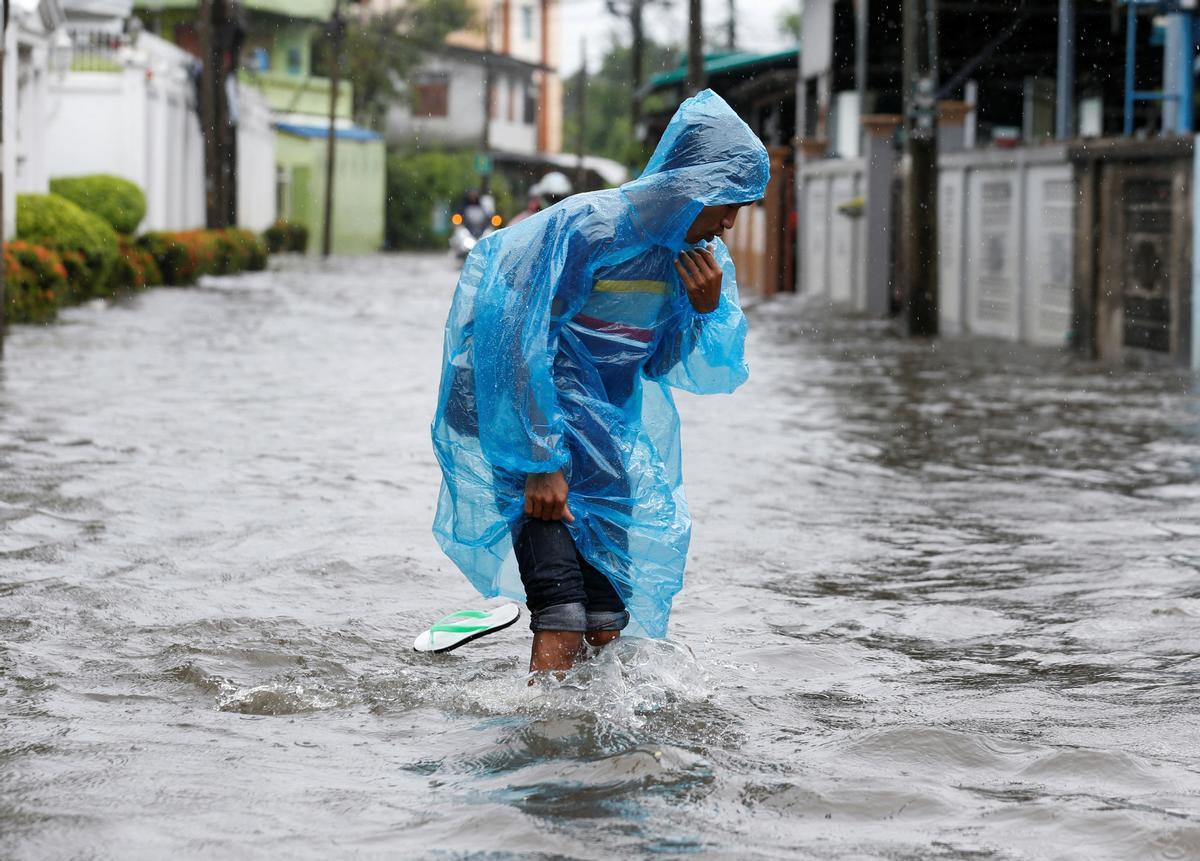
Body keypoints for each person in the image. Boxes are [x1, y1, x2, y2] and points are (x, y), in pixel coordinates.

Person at [431, 90, 769, 676]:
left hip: (605, 451)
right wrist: (540, 459)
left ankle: (593, 750)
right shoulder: (583, 230)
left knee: (607, 624)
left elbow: (660, 363)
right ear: (693, 187)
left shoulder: (690, 258)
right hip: (538, 443)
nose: (731, 221)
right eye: (728, 203)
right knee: (561, 613)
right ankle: (539, 748)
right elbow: (513, 339)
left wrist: (702, 309)